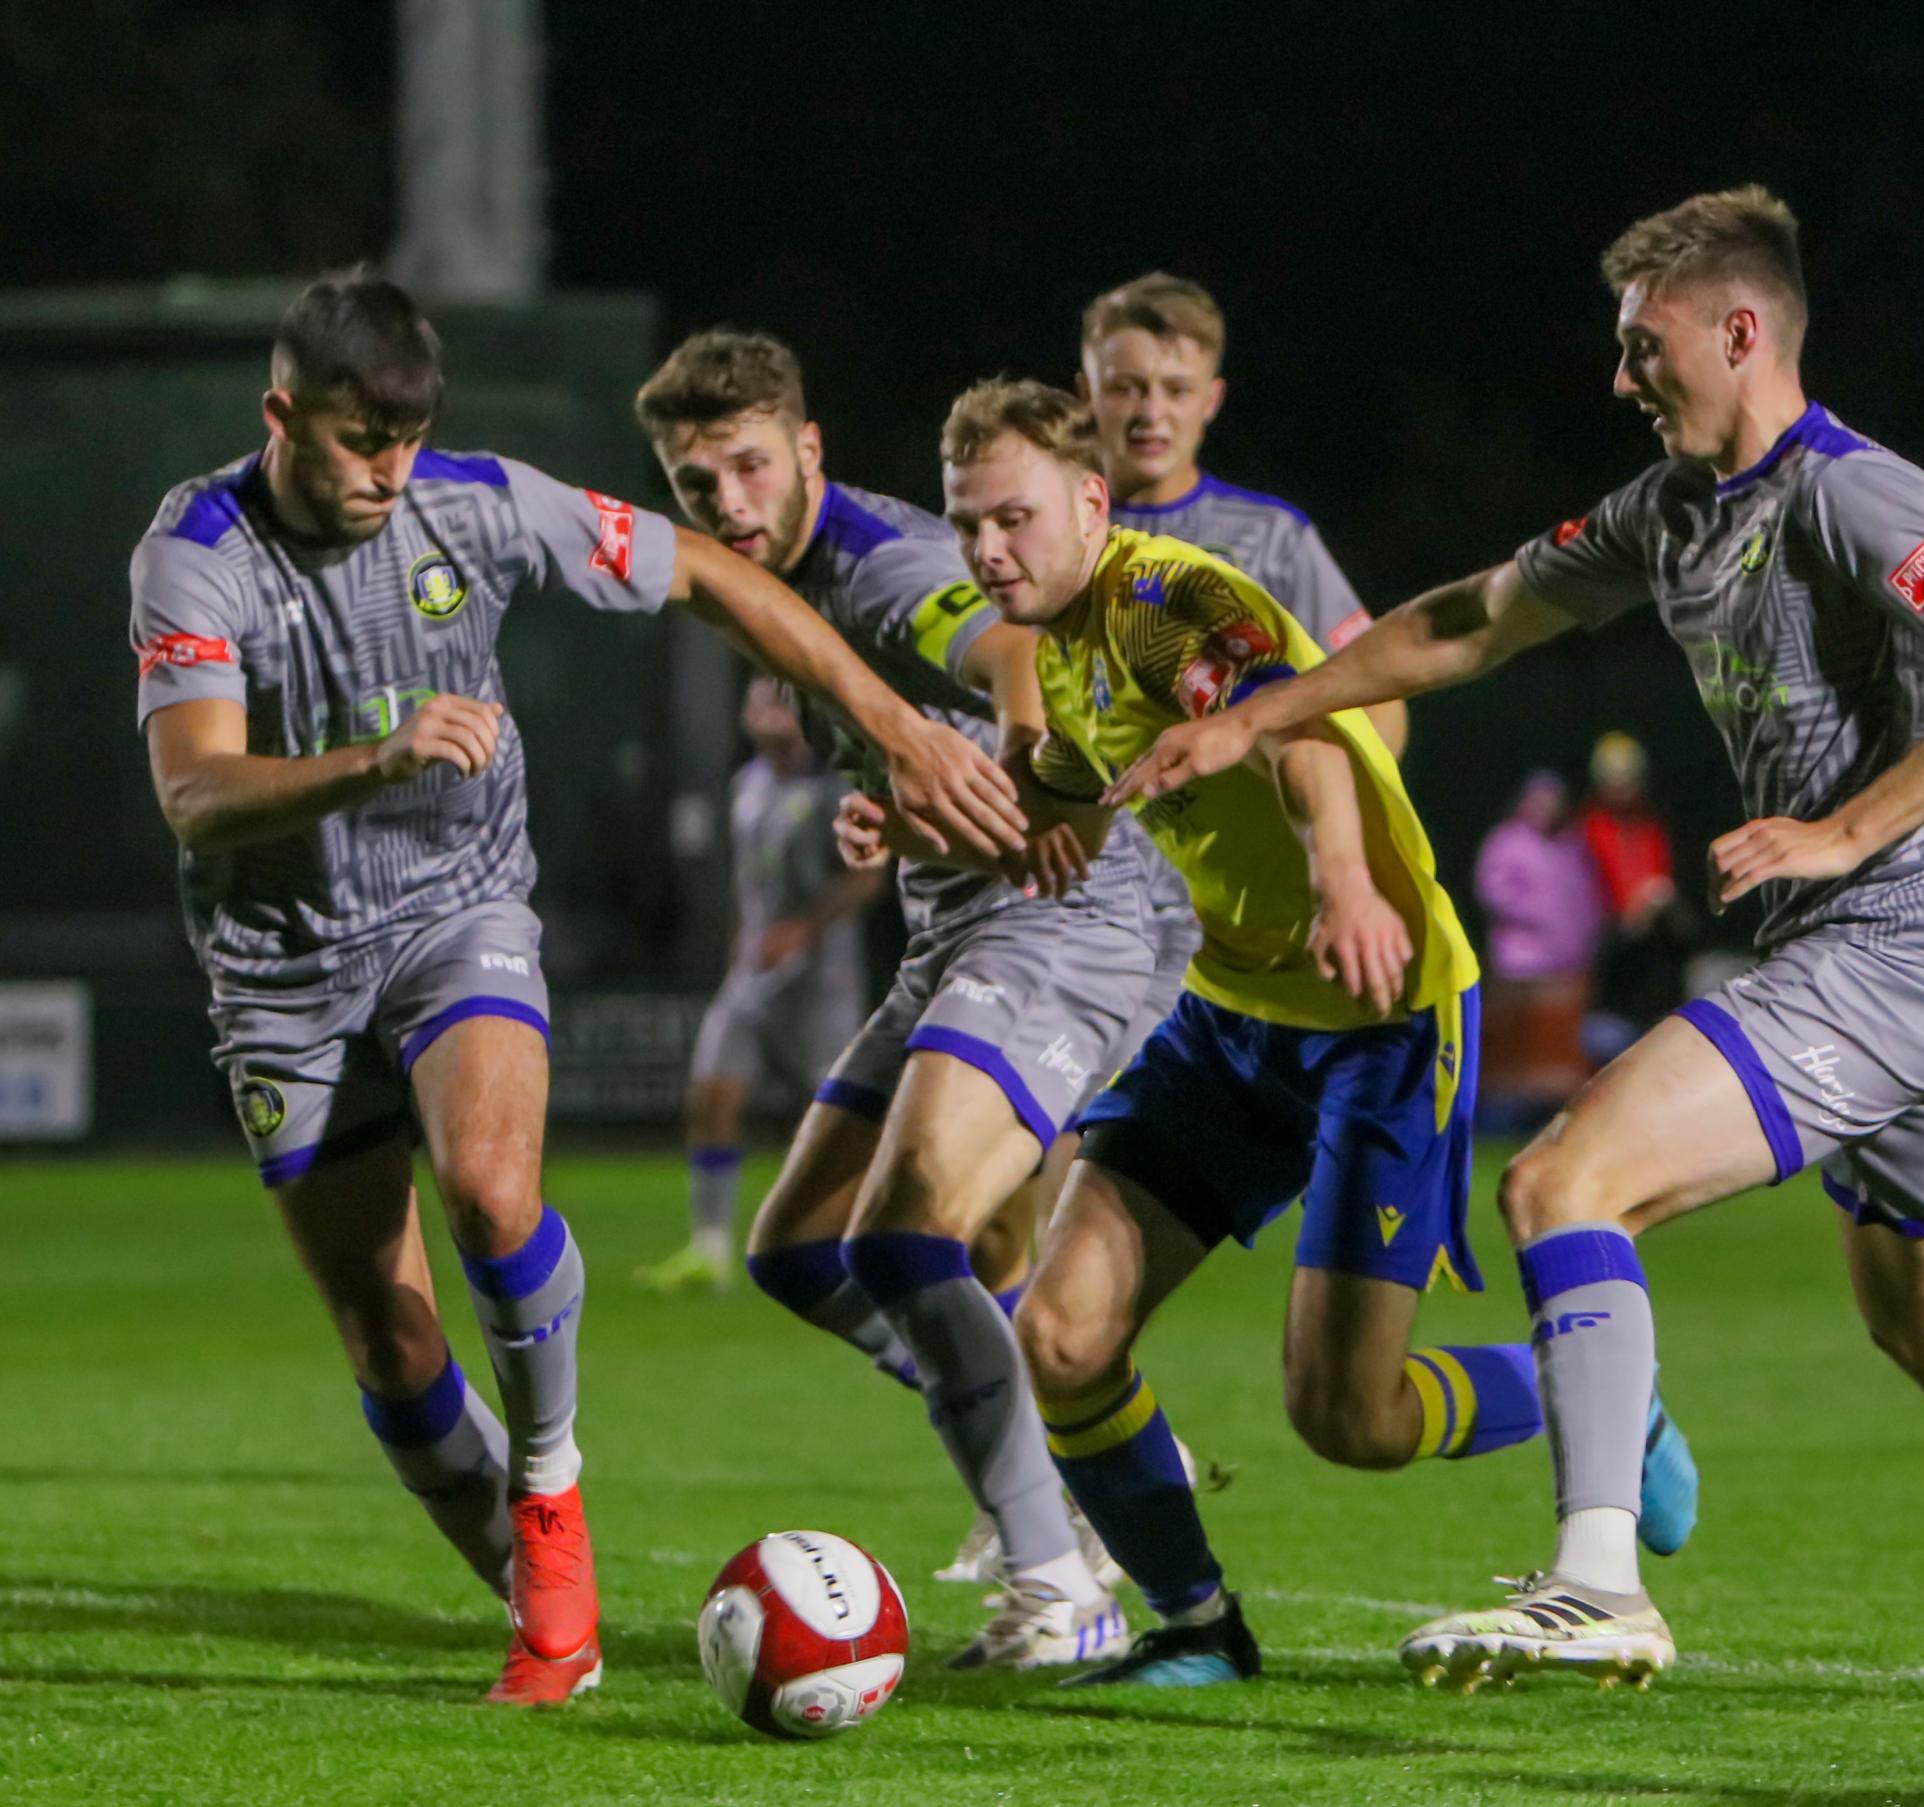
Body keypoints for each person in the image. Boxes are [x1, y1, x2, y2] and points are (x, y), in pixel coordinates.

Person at [1110, 186, 1924, 1707]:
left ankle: (1599, 1581)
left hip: (1890, 951)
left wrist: (1844, 831)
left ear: (1737, 331)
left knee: (1564, 1180)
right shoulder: (1668, 509)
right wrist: (1262, 710)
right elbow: (1472, 617)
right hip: (1902, 967)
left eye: (1643, 345)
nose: (1621, 376)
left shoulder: (1852, 489)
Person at [130, 273, 1024, 1706]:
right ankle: (549, 1586)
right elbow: (194, 789)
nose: (387, 474)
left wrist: (896, 726)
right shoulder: (197, 546)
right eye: (359, 441)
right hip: (280, 969)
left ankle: (551, 1492)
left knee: (492, 1190)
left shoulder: (478, 501)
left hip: (454, 912)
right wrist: (384, 753)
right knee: (388, 1326)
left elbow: (715, 573)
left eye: (409, 440)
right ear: (281, 416)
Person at [929, 374, 1609, 1691]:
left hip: (1384, 1017)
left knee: (1349, 1415)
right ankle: (1196, 1625)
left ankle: (1599, 1394)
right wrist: (925, 820)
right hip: (1233, 1018)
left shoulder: (1165, 601)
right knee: (1061, 1332)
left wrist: (1348, 883)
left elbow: (1303, 736)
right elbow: (1065, 787)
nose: (986, 550)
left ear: (1088, 500)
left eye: (1010, 517)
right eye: (968, 525)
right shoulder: (1058, 635)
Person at [634, 330, 1163, 1669]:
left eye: (752, 468)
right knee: (804, 1249)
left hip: (1060, 916)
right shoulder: (761, 578)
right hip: (955, 926)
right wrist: (901, 807)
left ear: (809, 449)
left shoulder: (882, 564)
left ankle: (1060, 1573)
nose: (731, 507)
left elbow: (1014, 654)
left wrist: (1033, 767)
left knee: (916, 1232)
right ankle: (1049, 1470)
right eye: (701, 489)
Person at [1080, 272, 1404, 757]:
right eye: (1126, 388)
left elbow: (1378, 695)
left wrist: (1342, 814)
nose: (1151, 412)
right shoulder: (1041, 531)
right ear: (1087, 393)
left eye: (1177, 389)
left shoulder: (1274, 538)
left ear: (1211, 400)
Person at [635, 679, 879, 1293]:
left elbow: (868, 881)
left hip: (822, 980)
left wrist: (805, 928)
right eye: (760, 705)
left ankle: (850, 1243)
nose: (769, 717)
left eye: (782, 706)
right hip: (752, 975)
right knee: (712, 1095)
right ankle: (710, 1248)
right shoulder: (746, 787)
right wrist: (740, 952)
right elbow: (748, 889)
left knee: (828, 1119)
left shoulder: (836, 788)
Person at [1474, 769, 1602, 1122]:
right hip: (1520, 964)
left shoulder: (1568, 845)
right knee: (1517, 1049)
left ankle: (1555, 1113)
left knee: (1557, 1051)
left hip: (1564, 963)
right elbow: (1492, 889)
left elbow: (1583, 896)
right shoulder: (1508, 840)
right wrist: (1535, 914)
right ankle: (1499, 1116)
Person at [1576, 731, 1691, 1056]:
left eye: (1629, 776)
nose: (1622, 785)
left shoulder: (1653, 825)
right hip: (1609, 976)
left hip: (1656, 972)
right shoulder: (1588, 827)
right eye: (1614, 777)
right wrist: (1627, 918)